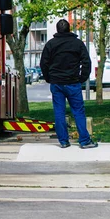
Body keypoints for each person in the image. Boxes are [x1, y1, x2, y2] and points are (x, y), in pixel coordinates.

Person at [40, 19, 97, 149]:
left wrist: (49, 78)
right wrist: (82, 78)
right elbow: (86, 62)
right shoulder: (77, 44)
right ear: (69, 29)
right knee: (78, 111)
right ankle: (84, 140)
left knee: (59, 112)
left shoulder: (51, 44)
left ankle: (64, 141)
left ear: (57, 30)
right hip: (73, 82)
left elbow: (44, 63)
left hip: (57, 83)